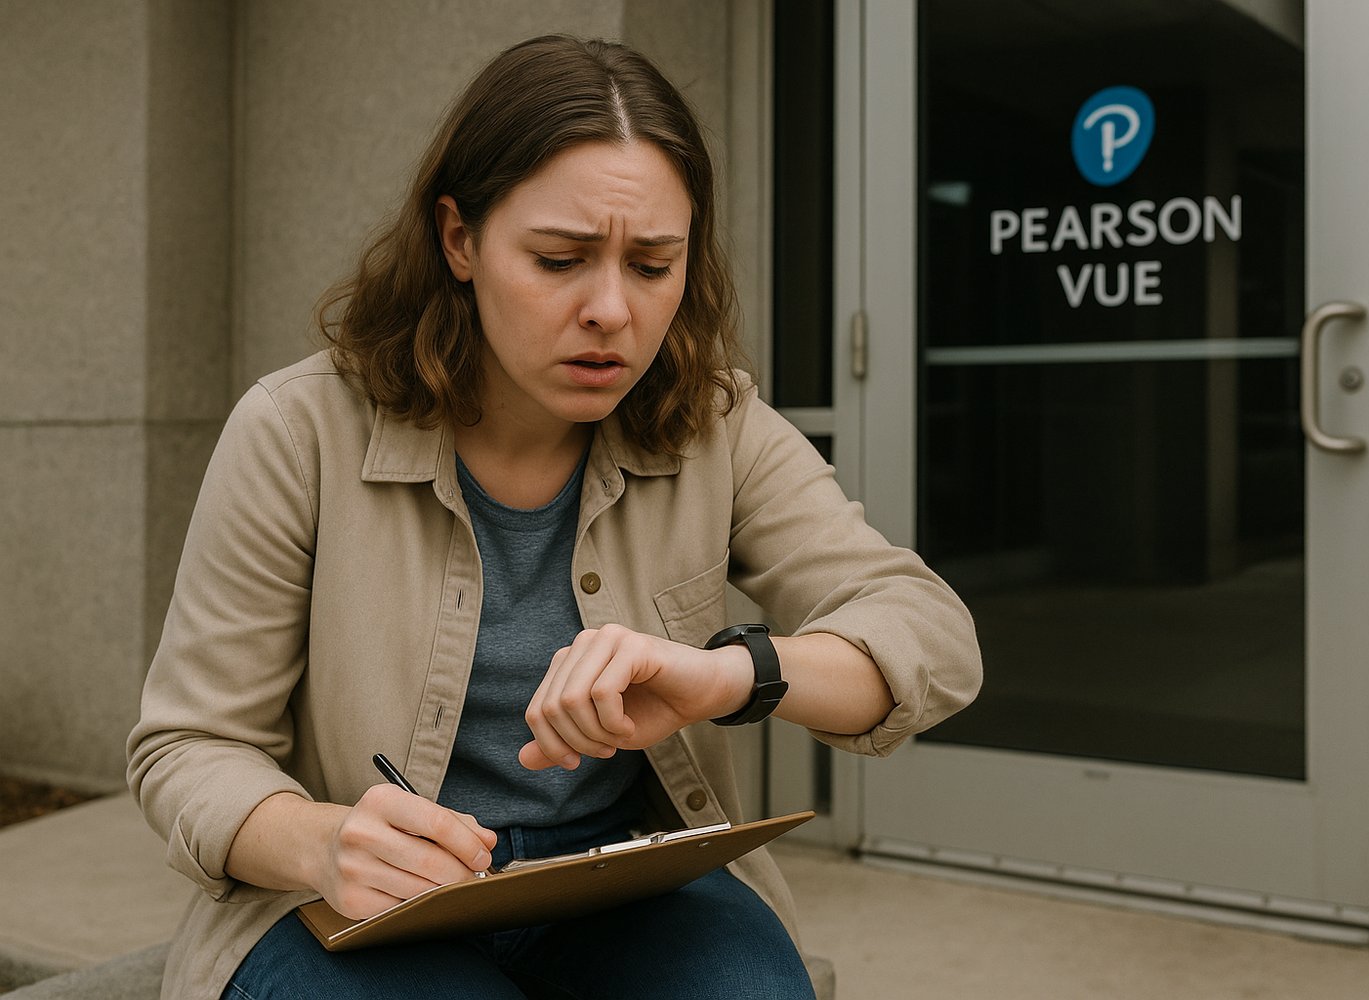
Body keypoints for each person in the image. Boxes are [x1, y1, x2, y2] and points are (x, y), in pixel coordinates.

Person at [126, 34, 981, 1000]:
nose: (611, 310)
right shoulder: (296, 431)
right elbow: (186, 748)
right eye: (560, 259)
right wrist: (324, 843)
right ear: (459, 240)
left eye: (653, 265)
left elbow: (928, 634)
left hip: (627, 878)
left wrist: (724, 676)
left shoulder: (716, 423)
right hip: (354, 899)